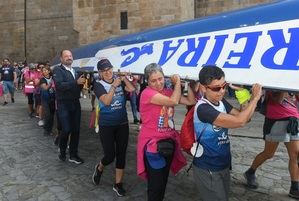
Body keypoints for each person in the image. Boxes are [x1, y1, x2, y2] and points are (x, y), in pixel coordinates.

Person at [193, 65, 262, 201]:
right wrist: (255, 98)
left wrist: (243, 95)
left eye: (224, 85)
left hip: (223, 163)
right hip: (208, 167)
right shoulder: (203, 109)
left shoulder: (221, 102)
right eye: (216, 88)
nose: (222, 91)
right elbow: (239, 121)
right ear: (203, 87)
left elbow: (245, 118)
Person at [136, 63, 196, 201]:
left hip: (168, 143)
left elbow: (191, 100)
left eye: (160, 78)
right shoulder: (147, 93)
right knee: (155, 185)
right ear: (147, 81)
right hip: (152, 146)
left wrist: (183, 84)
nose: (158, 83)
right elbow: (173, 101)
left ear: (164, 77)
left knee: (163, 182)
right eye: (153, 80)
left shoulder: (168, 92)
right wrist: (176, 84)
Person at [91, 58, 135, 196]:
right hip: (106, 125)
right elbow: (107, 101)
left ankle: (118, 184)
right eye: (104, 71)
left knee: (121, 154)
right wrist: (114, 86)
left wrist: (124, 78)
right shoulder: (98, 85)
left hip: (122, 123)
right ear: (100, 72)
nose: (108, 72)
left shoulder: (118, 80)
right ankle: (99, 167)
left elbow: (132, 89)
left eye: (109, 69)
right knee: (110, 156)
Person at [244, 91, 299, 199]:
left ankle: (295, 187)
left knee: (295, 155)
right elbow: (277, 100)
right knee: (269, 153)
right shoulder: (275, 81)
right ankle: (250, 172)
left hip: (293, 119)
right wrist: (285, 88)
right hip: (275, 119)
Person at [53, 49, 85, 164]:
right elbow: (60, 85)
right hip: (63, 104)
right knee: (66, 129)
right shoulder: (58, 70)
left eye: (70, 55)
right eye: (66, 56)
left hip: (75, 103)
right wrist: (76, 82)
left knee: (76, 130)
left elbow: (76, 87)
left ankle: (73, 154)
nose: (69, 57)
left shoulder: (74, 71)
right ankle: (62, 150)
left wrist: (81, 84)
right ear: (61, 59)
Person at [40, 65, 56, 136]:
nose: (44, 72)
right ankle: (46, 130)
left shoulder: (53, 78)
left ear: (49, 71)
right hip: (45, 100)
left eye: (46, 70)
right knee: (47, 115)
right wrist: (51, 83)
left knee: (52, 116)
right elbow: (45, 88)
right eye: (43, 70)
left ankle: (50, 129)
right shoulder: (42, 79)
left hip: (53, 99)